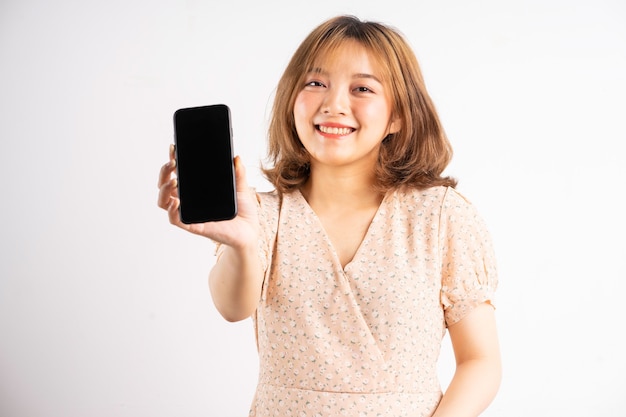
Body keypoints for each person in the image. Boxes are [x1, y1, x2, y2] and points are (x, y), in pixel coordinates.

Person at [158, 15, 501, 417]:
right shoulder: (262, 216)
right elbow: (233, 307)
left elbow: (481, 362)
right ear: (292, 101)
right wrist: (243, 243)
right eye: (316, 83)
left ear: (398, 116)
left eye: (362, 88)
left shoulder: (441, 218)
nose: (334, 104)